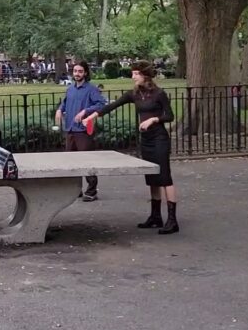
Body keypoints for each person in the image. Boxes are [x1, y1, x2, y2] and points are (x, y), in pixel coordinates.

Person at [81, 60, 179, 234]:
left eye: (136, 73)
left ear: (145, 75)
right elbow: (111, 106)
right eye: (133, 73)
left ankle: (172, 220)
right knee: (152, 178)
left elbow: (170, 116)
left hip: (159, 139)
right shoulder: (134, 94)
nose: (132, 76)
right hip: (146, 140)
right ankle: (156, 216)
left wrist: (153, 119)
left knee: (164, 177)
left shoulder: (159, 94)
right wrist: (92, 117)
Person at [54, 61, 107, 201]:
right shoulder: (70, 89)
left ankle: (91, 191)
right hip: (70, 128)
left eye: (80, 71)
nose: (77, 74)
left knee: (86, 160)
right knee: (71, 161)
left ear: (85, 73)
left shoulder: (91, 89)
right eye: (75, 71)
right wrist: (59, 109)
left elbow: (101, 104)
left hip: (83, 130)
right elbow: (65, 102)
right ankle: (75, 189)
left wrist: (85, 111)